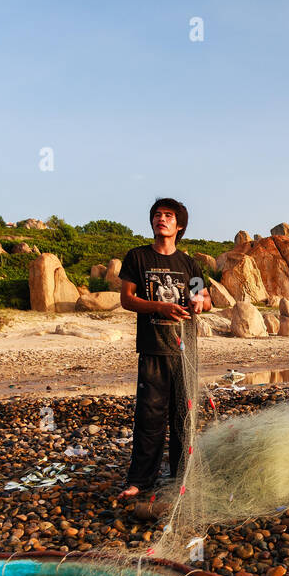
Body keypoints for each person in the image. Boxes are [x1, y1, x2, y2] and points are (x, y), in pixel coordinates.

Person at [115, 198, 212, 500]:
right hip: (153, 348)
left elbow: (206, 300)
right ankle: (140, 481)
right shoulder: (138, 257)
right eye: (157, 215)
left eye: (168, 216)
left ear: (179, 225)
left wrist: (199, 301)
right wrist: (159, 306)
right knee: (149, 417)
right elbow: (127, 299)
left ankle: (181, 478)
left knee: (184, 417)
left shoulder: (188, 263)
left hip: (186, 352)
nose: (162, 219)